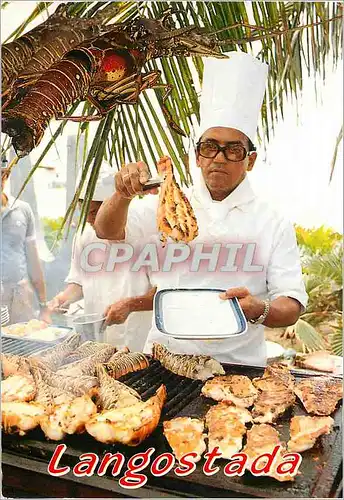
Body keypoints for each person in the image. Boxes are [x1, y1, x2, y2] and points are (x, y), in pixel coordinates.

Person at [94, 51, 308, 365]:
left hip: (238, 364)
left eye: (233, 150)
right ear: (197, 156)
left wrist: (259, 310)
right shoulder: (168, 206)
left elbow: (292, 303)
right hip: (165, 357)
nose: (218, 157)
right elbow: (107, 231)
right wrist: (122, 194)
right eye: (209, 147)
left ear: (250, 160)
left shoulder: (271, 222)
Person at [48, 162, 154, 351]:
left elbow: (164, 292)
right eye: (85, 210)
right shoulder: (84, 234)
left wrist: (131, 305)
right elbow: (80, 281)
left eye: (96, 211)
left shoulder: (145, 229)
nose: (91, 220)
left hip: (139, 342)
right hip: (98, 340)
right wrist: (62, 299)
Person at [1, 160, 51, 324]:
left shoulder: (22, 209)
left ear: (6, 175)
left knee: (23, 343)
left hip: (20, 296)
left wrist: (44, 307)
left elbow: (33, 260)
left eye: (1, 174)